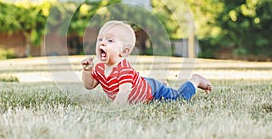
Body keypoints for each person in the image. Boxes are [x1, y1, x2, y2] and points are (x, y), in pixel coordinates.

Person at [81, 20, 212, 105]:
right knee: (143, 82)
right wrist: (87, 71)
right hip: (142, 83)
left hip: (151, 91)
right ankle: (160, 82)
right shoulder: (99, 68)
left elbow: (123, 95)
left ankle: (195, 80)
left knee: (179, 99)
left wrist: (114, 109)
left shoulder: (123, 70)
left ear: (124, 52)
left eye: (110, 40)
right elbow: (89, 85)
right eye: (100, 39)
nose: (102, 42)